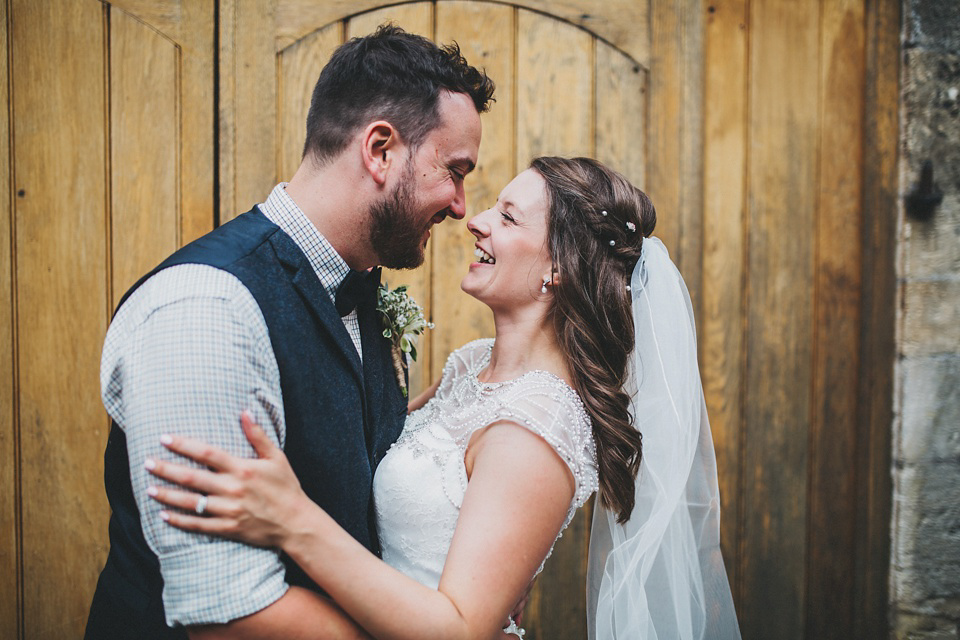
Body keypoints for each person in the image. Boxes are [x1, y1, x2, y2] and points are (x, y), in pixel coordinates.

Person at [144, 157, 743, 639]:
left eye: (508, 218)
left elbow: (458, 626)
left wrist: (293, 519)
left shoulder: (532, 433)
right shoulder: (471, 364)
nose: (475, 220)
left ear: (558, 265)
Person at [84, 25, 494, 640]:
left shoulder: (360, 288)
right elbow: (230, 618)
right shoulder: (204, 312)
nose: (462, 206)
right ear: (380, 149)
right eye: (454, 170)